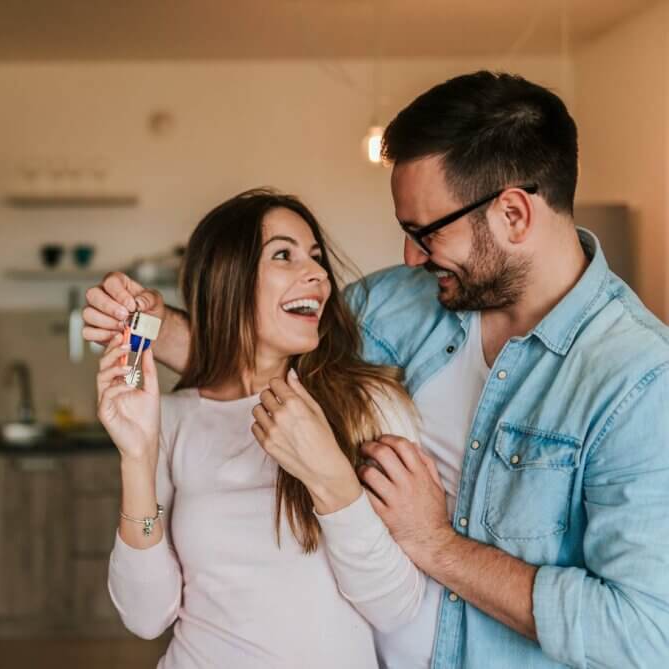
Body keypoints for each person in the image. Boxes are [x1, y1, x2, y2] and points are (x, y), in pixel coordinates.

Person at [85, 71, 669, 669]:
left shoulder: (638, 380)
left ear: (514, 214)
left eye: (426, 232)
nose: (411, 256)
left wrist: (438, 545)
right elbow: (263, 350)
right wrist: (149, 325)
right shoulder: (407, 301)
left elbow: (645, 633)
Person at [96, 189, 433, 669]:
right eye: (284, 255)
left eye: (316, 259)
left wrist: (332, 479)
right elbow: (146, 615)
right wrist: (137, 459)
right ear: (228, 280)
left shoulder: (370, 405)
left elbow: (396, 607)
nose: (317, 274)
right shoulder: (172, 417)